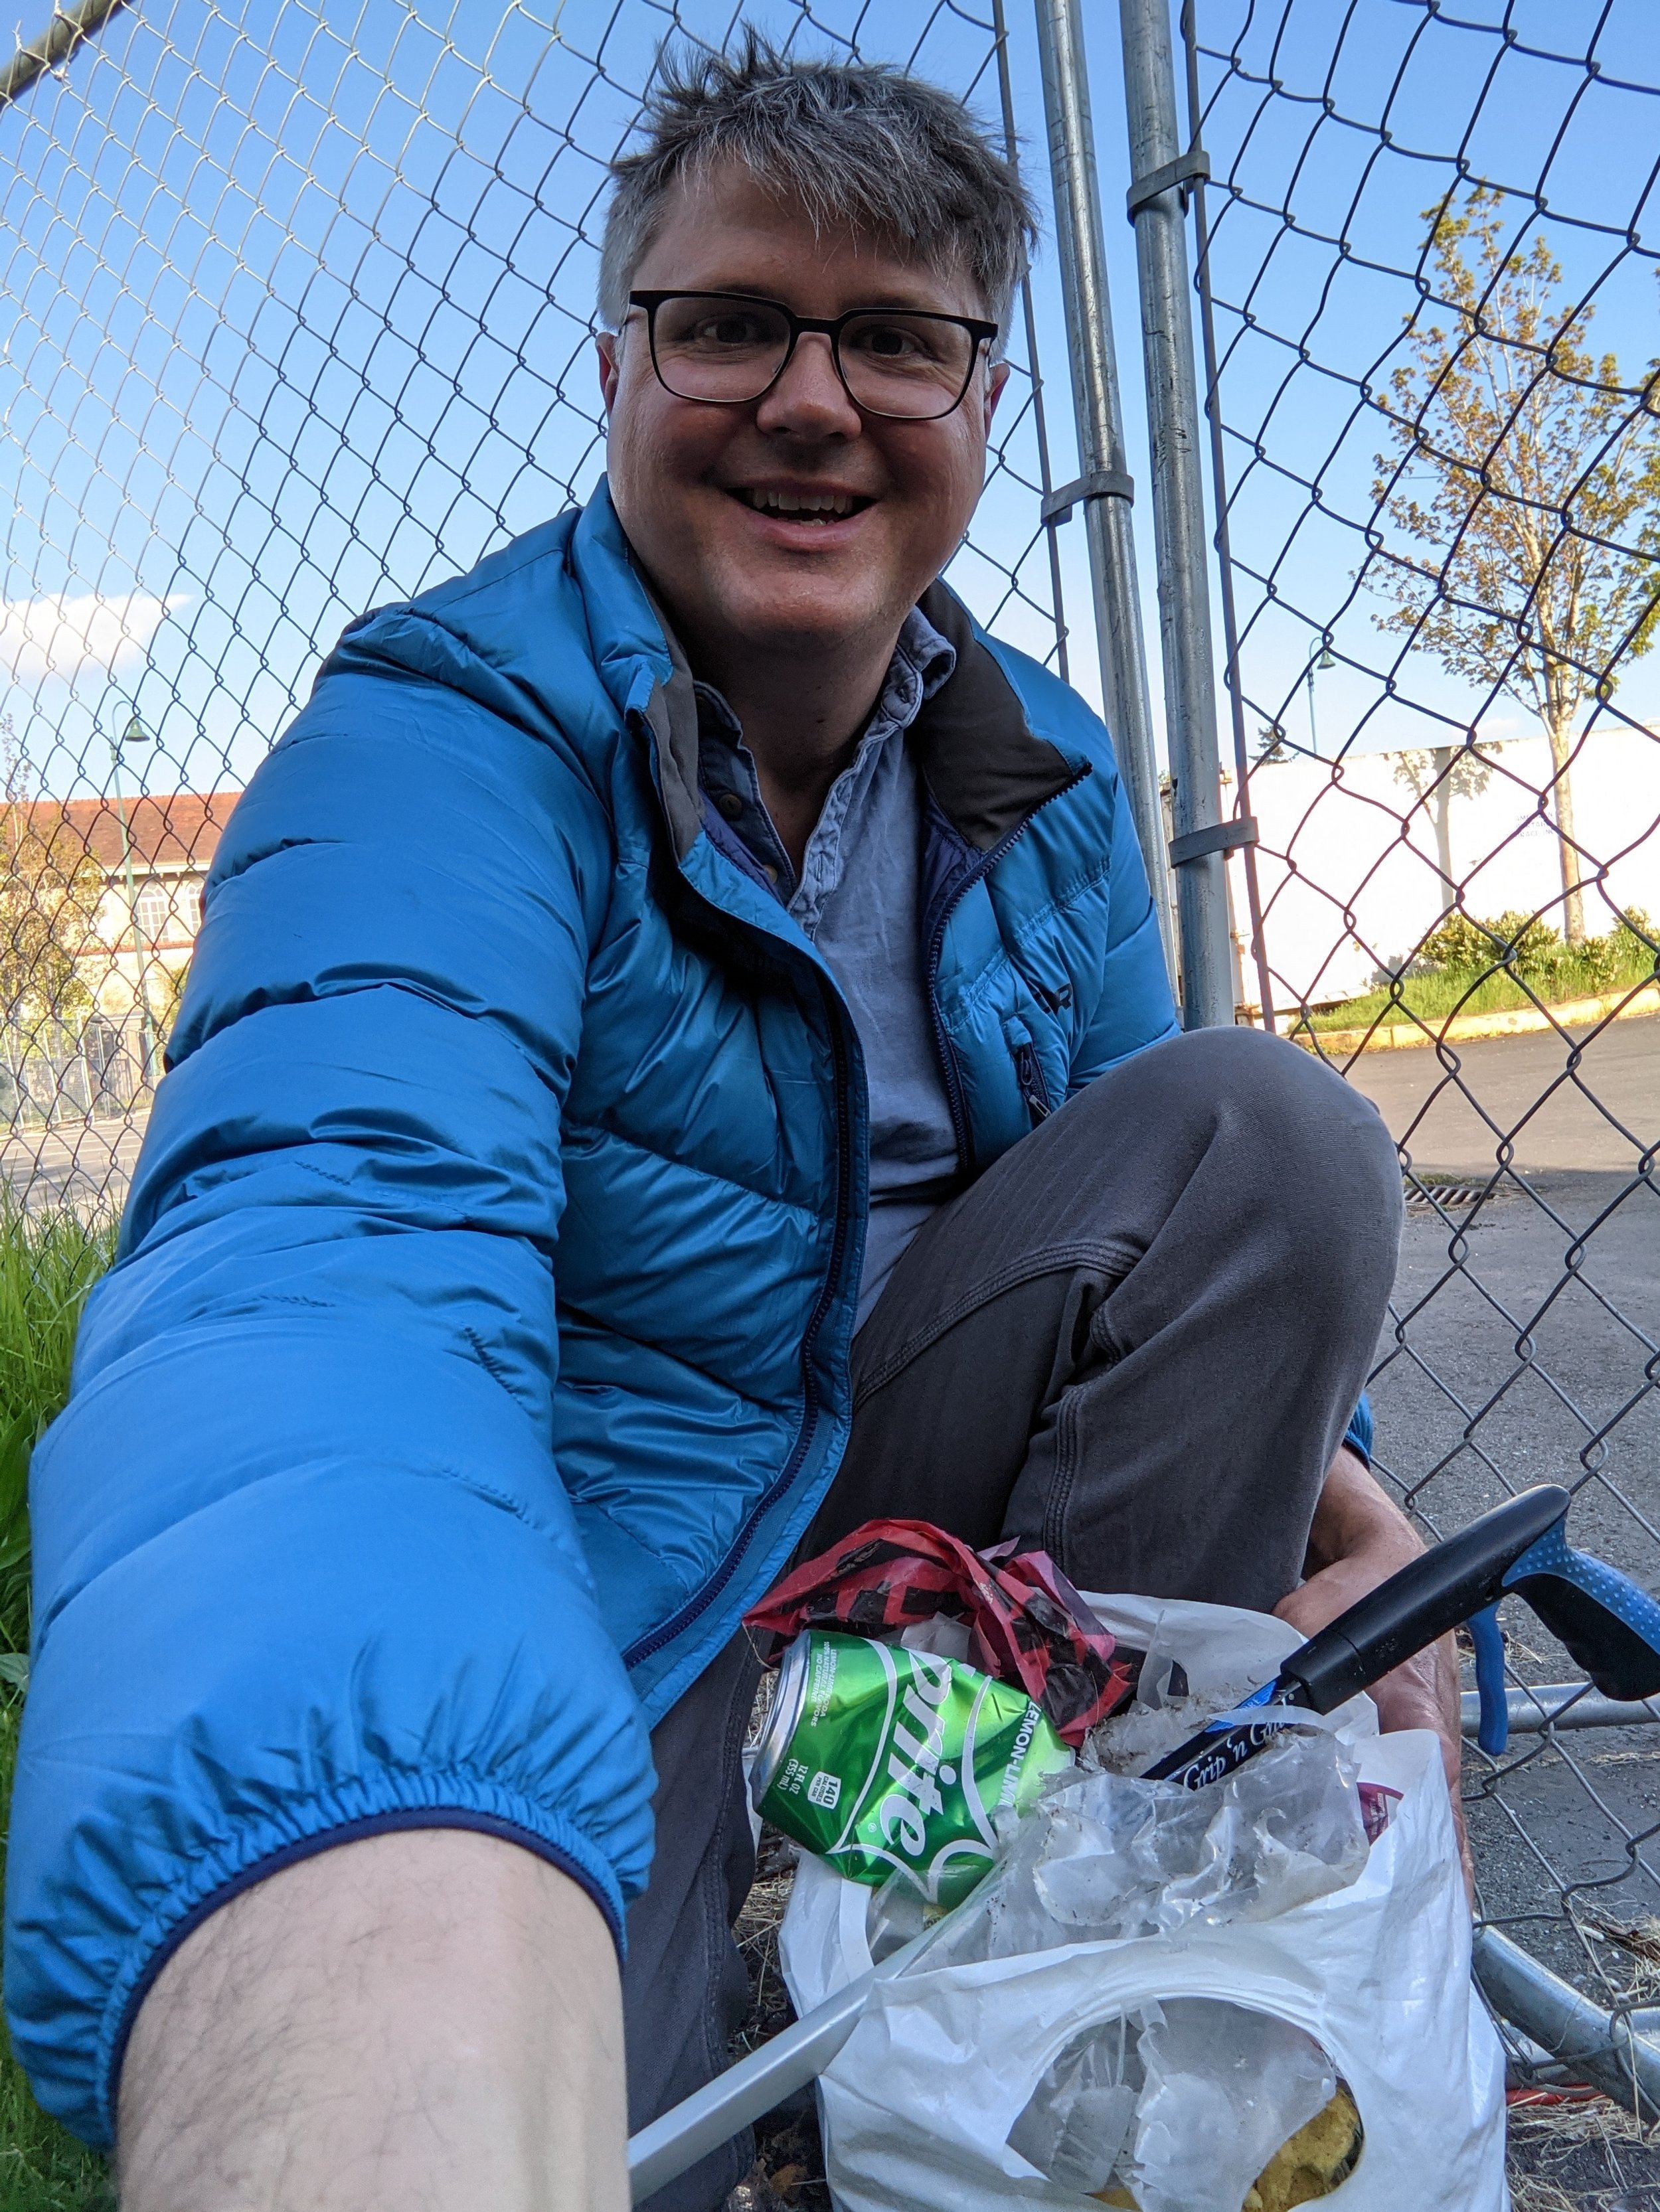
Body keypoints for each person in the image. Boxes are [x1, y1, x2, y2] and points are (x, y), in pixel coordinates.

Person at [5, 37, 1460, 2212]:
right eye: (731, 324)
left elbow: (1147, 1193)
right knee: (592, 2140)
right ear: (618, 363)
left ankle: (1035, 1871)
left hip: (908, 1483)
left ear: (978, 403)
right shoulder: (447, 731)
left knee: (1272, 1128)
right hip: (592, 1537)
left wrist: (1346, 1503)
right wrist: (370, 1853)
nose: (810, 397)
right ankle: (767, 1911)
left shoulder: (1034, 769)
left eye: (894, 336)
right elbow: (334, 1259)